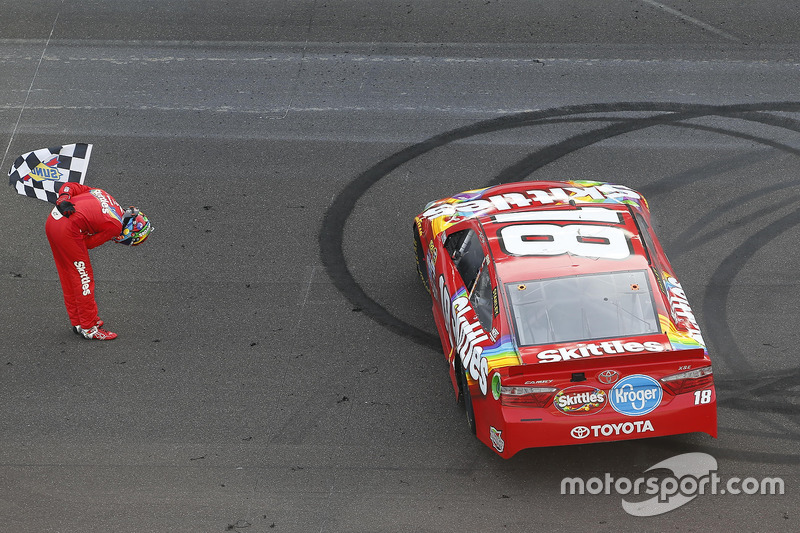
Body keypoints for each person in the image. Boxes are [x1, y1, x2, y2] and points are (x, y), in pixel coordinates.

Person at [45, 182, 152, 340]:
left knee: (67, 274)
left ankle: (78, 322)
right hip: (67, 231)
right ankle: (89, 328)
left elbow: (69, 186)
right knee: (84, 279)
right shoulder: (115, 226)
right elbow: (87, 244)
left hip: (52, 222)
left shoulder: (105, 195)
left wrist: (63, 197)